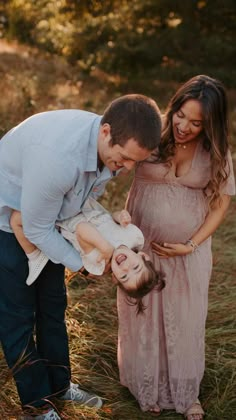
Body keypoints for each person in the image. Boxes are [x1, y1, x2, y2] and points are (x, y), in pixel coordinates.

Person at [0, 94, 162, 420]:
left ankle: (60, 386)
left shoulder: (110, 146)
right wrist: (83, 267)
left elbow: (80, 205)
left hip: (54, 223)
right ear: (105, 133)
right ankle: (38, 406)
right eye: (125, 159)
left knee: (53, 307)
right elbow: (36, 229)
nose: (127, 168)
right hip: (10, 222)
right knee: (19, 318)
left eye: (135, 162)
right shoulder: (59, 159)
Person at [117, 76, 235, 419]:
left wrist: (190, 245)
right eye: (181, 115)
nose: (184, 126)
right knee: (143, 314)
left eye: (196, 122)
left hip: (188, 252)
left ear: (210, 124)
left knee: (186, 318)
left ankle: (186, 395)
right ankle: (147, 386)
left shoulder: (215, 151)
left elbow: (219, 206)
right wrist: (112, 217)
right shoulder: (152, 133)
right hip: (142, 247)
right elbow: (111, 169)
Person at [10, 197, 165, 306]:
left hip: (64, 217)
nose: (126, 268)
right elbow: (113, 218)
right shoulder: (134, 237)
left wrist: (105, 247)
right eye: (136, 267)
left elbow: (81, 228)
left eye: (124, 276)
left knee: (16, 219)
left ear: (115, 279)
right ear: (143, 256)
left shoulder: (98, 263)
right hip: (83, 201)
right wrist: (120, 215)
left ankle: (33, 255)